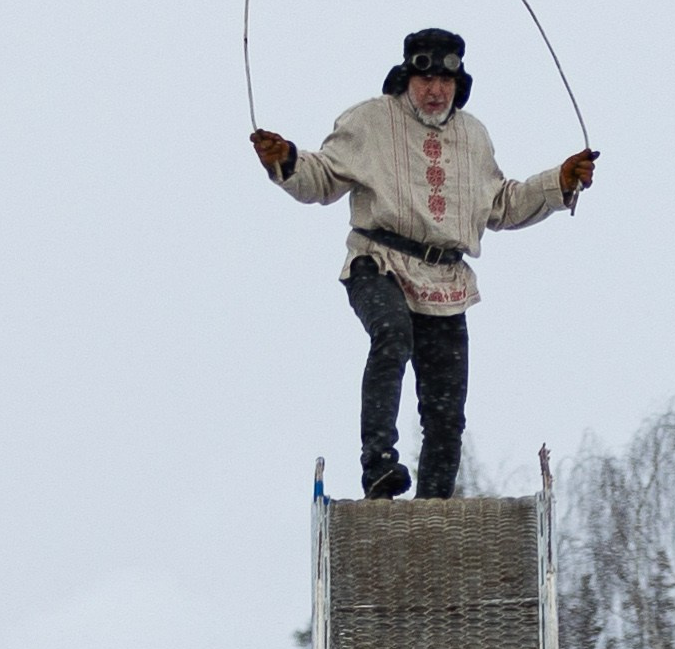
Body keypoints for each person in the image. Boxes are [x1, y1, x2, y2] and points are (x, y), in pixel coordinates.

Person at [251, 30, 596, 500]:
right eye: (425, 78)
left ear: (459, 84)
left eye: (444, 81)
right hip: (380, 260)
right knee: (392, 336)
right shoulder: (369, 120)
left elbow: (501, 203)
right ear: (406, 77)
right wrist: (287, 160)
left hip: (446, 280)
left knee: (446, 408)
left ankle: (434, 507)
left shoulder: (473, 136)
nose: (435, 90)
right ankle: (379, 465)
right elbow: (325, 176)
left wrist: (558, 180)